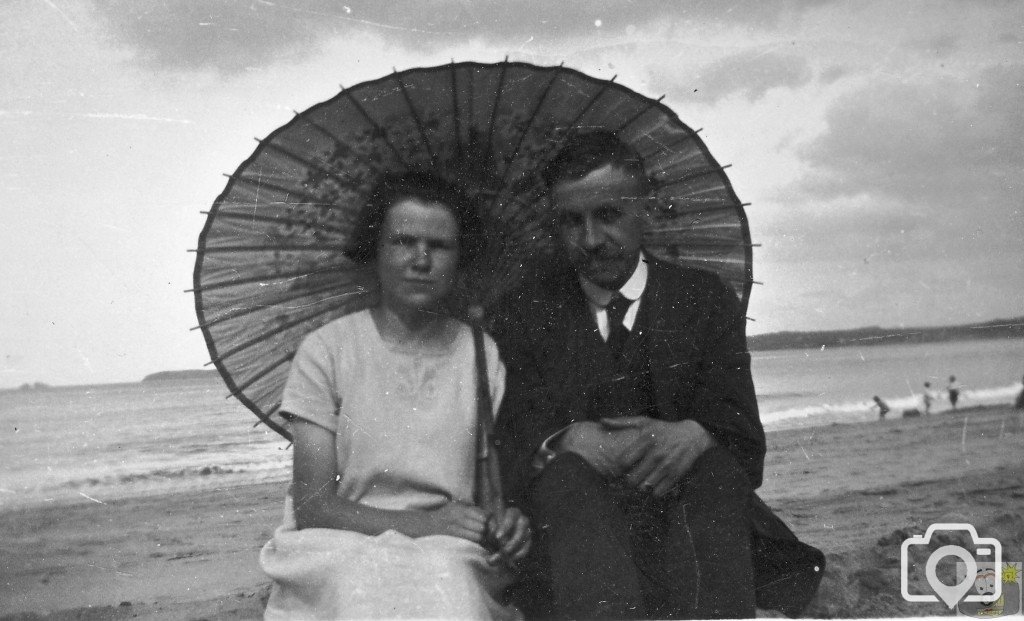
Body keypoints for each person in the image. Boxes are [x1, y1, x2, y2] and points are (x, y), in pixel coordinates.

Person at [492, 132, 823, 619]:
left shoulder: (703, 299)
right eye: (571, 221)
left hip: (690, 538)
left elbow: (747, 446)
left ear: (643, 208)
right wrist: (561, 440)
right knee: (564, 476)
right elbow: (506, 450)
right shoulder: (526, 312)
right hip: (578, 555)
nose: (590, 239)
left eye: (608, 215)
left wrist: (696, 434)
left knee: (714, 469)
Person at [259, 173, 530, 620]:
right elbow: (314, 507)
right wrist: (419, 524)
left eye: (439, 246)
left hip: (448, 545)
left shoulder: (480, 353)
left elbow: (489, 494)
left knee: (450, 591)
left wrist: (504, 521)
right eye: (403, 241)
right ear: (376, 252)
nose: (420, 259)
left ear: (460, 259)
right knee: (360, 592)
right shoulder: (326, 350)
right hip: (341, 540)